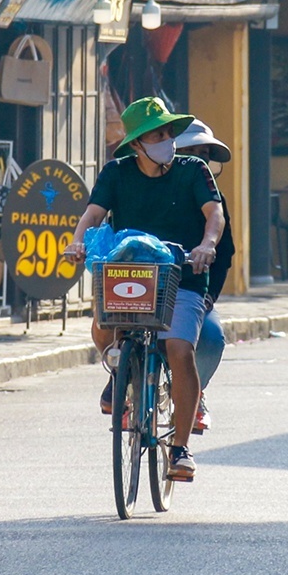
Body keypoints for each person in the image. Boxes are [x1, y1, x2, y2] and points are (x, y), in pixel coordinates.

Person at [63, 98, 224, 483]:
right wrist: (77, 241)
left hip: (183, 275)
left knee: (180, 349)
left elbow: (214, 213)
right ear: (136, 143)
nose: (167, 140)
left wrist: (207, 245)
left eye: (169, 132)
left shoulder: (194, 170)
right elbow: (93, 214)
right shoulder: (116, 174)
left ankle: (180, 449)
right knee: (104, 324)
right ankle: (119, 374)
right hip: (129, 272)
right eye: (157, 135)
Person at [172, 120, 236, 432]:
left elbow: (224, 255)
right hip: (143, 289)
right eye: (190, 152)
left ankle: (194, 394)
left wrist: (208, 298)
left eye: (204, 154)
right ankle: (125, 388)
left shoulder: (215, 202)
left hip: (193, 291)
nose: (198, 160)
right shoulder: (141, 185)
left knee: (210, 338)